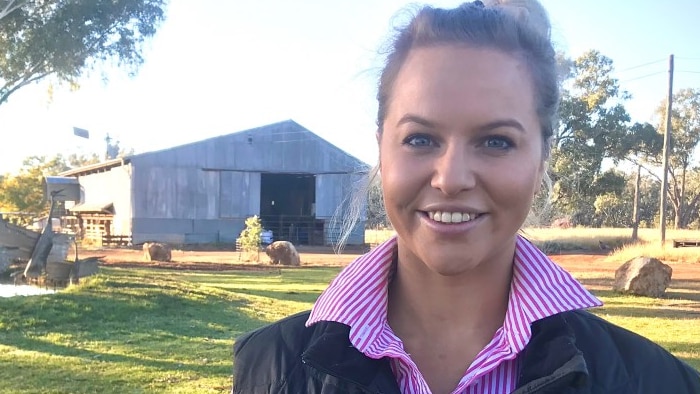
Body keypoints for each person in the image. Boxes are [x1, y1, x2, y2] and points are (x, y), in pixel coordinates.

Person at [232, 1, 700, 393]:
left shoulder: (657, 381)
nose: (451, 178)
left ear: (541, 159)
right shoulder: (268, 368)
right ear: (381, 146)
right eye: (420, 138)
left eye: (496, 141)